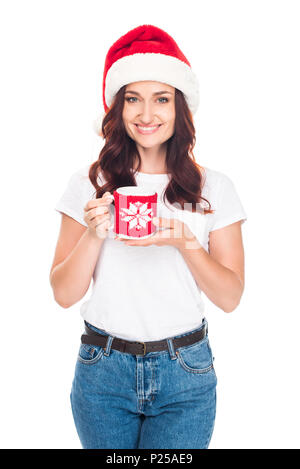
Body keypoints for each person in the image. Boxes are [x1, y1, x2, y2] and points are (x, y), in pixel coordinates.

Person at [50, 24, 247, 449]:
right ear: (117, 108)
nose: (146, 114)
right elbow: (64, 294)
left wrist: (185, 242)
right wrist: (93, 233)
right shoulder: (89, 184)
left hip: (186, 373)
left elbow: (231, 297)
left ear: (180, 108)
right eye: (133, 99)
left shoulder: (214, 188)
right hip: (103, 370)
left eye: (162, 99)